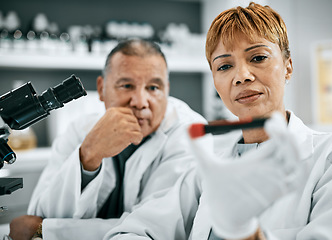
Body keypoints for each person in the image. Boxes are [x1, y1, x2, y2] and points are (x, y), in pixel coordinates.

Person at [103, 2, 332, 240]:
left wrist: (245, 230)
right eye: (224, 66)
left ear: (288, 66)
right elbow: (130, 232)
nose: (242, 76)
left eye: (258, 58)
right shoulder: (206, 173)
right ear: (215, 80)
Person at [7, 38, 207, 240]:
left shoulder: (190, 133)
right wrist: (88, 155)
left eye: (154, 88)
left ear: (167, 90)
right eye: (127, 85)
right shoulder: (80, 130)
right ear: (101, 89)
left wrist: (49, 231)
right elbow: (40, 213)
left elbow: (153, 230)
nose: (140, 102)